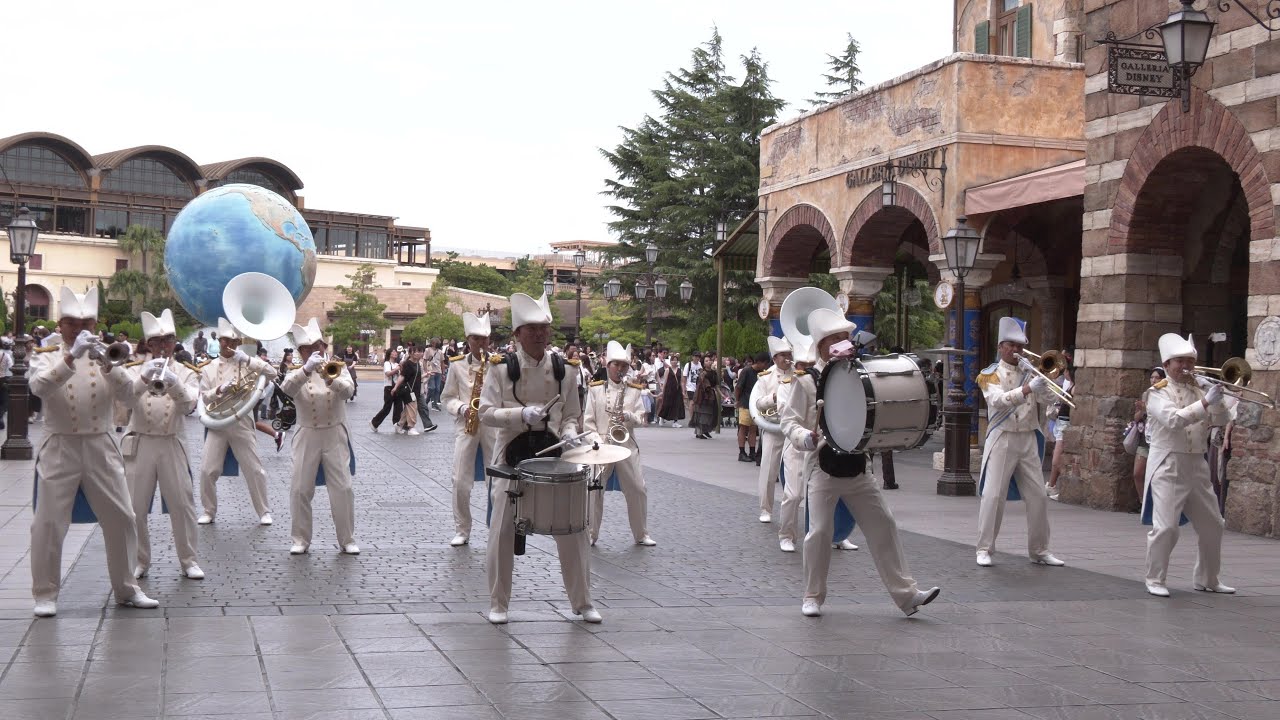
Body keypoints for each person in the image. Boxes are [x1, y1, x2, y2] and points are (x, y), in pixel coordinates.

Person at [780, 301, 939, 618]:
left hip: (858, 469)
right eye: (834, 338)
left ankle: (907, 596)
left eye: (843, 336)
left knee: (884, 525)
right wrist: (805, 437)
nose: (841, 342)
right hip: (823, 469)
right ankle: (812, 595)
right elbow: (789, 421)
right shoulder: (808, 380)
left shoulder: (859, 374)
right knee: (820, 532)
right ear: (822, 346)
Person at [27, 287, 159, 617]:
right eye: (72, 322)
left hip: (100, 444)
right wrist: (70, 357)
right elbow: (38, 387)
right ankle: (45, 593)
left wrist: (109, 365)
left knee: (122, 517)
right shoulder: (46, 354)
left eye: (86, 321)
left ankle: (127, 587)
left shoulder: (107, 355)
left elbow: (130, 398)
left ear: (96, 323)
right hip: (59, 444)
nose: (79, 328)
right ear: (60, 324)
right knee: (48, 522)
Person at [478, 292, 598, 625]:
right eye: (532, 329)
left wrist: (572, 431)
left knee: (573, 527)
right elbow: (485, 413)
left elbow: (573, 413)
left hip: (553, 452)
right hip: (511, 454)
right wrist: (519, 415)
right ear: (517, 333)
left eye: (544, 328)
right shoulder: (500, 370)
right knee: (502, 529)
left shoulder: (566, 370)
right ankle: (499, 602)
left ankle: (583, 601)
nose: (540, 334)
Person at [1141, 333, 1236, 597]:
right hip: (1169, 463)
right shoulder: (1156, 393)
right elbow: (1173, 421)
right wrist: (1205, 401)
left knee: (1213, 524)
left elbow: (1221, 419)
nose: (1186, 366)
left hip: (1197, 463)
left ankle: (1208, 578)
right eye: (1180, 361)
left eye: (1190, 361)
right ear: (1168, 364)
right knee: (1167, 527)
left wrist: (1215, 396)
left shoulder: (1198, 389)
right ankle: (1155, 578)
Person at [974, 317, 1064, 568]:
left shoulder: (1029, 372)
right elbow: (997, 401)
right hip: (1002, 436)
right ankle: (984, 548)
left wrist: (1044, 382)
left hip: (1027, 436)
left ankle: (1040, 550)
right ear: (1001, 346)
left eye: (1020, 347)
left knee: (1038, 496)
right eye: (1011, 346)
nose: (1016, 351)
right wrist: (1026, 389)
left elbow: (1048, 401)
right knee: (993, 496)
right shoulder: (989, 374)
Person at [122, 309, 204, 581]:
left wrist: (175, 383)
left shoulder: (187, 371)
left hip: (172, 442)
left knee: (182, 503)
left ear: (175, 342)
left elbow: (189, 405)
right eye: (156, 342)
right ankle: (139, 559)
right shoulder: (133, 369)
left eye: (167, 340)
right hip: (141, 442)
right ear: (148, 344)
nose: (162, 346)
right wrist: (144, 379)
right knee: (136, 507)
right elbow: (123, 402)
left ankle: (188, 559)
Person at [281, 318, 360, 555]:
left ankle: (347, 538)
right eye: (307, 349)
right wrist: (305, 370)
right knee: (300, 488)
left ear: (324, 347)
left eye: (317, 346)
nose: (314, 351)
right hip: (307, 434)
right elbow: (286, 390)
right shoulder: (296, 372)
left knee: (343, 488)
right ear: (301, 352)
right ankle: (300, 539)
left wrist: (330, 378)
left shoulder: (338, 367)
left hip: (334, 433)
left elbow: (348, 392)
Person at [196, 317, 279, 526]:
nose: (229, 345)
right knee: (207, 469)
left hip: (241, 421)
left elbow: (273, 373)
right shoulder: (209, 367)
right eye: (225, 341)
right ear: (220, 341)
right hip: (218, 422)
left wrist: (249, 359)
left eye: (233, 342)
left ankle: (263, 511)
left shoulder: (247, 363)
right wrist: (219, 390)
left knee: (254, 469)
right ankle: (208, 510)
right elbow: (203, 396)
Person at [584, 341, 655, 548]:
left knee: (638, 488)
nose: (621, 369)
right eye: (617, 365)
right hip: (601, 445)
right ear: (608, 366)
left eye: (624, 366)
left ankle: (641, 533)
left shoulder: (633, 390)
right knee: (593, 489)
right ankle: (590, 533)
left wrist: (628, 415)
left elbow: (641, 419)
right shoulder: (595, 390)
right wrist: (596, 441)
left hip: (625, 444)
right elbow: (588, 422)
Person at [441, 312, 497, 547]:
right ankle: (462, 529)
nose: (481, 343)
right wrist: (462, 408)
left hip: (493, 425)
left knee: (497, 479)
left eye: (484, 339)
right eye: (476, 339)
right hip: (467, 425)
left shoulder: (499, 364)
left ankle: (497, 526)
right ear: (468, 340)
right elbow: (447, 398)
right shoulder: (457, 366)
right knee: (460, 480)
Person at [777, 340, 813, 553]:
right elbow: (785, 415)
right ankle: (786, 534)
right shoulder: (786, 386)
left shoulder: (822, 383)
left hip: (820, 447)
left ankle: (835, 535)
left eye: (809, 365)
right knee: (793, 495)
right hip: (797, 446)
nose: (805, 370)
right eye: (802, 365)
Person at [754, 337, 793, 522]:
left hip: (793, 427)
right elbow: (759, 404)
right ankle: (766, 509)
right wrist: (774, 398)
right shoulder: (766, 376)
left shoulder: (799, 374)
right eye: (783, 355)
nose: (787, 358)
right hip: (773, 428)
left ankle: (791, 508)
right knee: (768, 470)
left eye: (789, 354)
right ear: (775, 357)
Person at [1130, 367, 1167, 513]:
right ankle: (1143, 502)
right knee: (1137, 473)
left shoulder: (1166, 395)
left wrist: (1147, 408)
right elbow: (1136, 418)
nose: (1153, 380)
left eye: (1157, 377)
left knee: (1158, 476)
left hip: (1160, 439)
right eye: (1152, 377)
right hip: (1146, 437)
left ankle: (1157, 505)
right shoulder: (1147, 394)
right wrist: (1141, 410)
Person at [1045, 364, 1075, 499]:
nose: (1065, 373)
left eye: (1067, 371)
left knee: (1057, 459)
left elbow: (1074, 405)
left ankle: (1052, 486)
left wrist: (1064, 400)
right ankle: (1052, 485)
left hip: (1064, 424)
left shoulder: (1075, 388)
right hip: (1060, 422)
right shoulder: (1069, 385)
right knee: (1055, 455)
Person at [735, 353, 767, 464]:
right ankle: (742, 452)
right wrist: (737, 400)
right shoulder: (746, 371)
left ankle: (752, 451)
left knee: (753, 428)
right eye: (764, 363)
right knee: (743, 428)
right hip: (745, 402)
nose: (765, 366)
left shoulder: (762, 373)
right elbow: (738, 387)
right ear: (759, 362)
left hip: (756, 405)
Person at [391, 346, 423, 435]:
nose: (417, 353)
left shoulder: (417, 363)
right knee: (413, 408)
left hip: (415, 390)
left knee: (407, 410)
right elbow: (402, 376)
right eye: (415, 352)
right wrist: (395, 387)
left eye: (419, 351)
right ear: (410, 353)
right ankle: (411, 427)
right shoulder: (407, 364)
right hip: (408, 390)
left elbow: (416, 377)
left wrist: (426, 375)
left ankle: (399, 425)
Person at [370, 349, 403, 431]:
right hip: (389, 387)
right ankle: (374, 422)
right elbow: (388, 374)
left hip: (397, 387)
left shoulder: (397, 364)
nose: (395, 353)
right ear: (389, 354)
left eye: (396, 352)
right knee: (387, 408)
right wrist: (397, 369)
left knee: (398, 408)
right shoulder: (387, 363)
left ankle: (397, 425)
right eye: (393, 352)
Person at [691, 355, 719, 440]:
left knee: (710, 413)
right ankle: (699, 432)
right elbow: (700, 384)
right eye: (706, 361)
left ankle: (706, 430)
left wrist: (721, 394)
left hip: (711, 395)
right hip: (703, 395)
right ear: (703, 363)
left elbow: (716, 385)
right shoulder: (702, 372)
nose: (709, 362)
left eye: (710, 360)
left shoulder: (714, 373)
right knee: (701, 413)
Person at [656, 352, 684, 428]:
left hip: (677, 390)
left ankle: (675, 421)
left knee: (677, 405)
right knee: (666, 404)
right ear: (670, 361)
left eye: (676, 360)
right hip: (669, 390)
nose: (674, 361)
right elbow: (665, 381)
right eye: (673, 360)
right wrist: (663, 390)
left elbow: (681, 381)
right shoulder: (668, 370)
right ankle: (662, 417)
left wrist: (683, 391)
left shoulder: (679, 370)